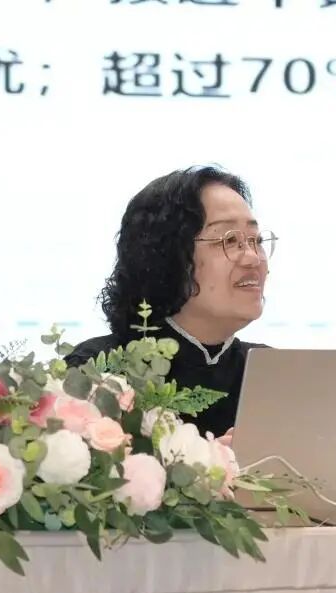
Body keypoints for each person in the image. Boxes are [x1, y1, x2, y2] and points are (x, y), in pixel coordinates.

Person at [65, 166, 276, 442]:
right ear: (168, 256)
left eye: (256, 240)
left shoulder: (271, 372)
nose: (253, 258)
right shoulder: (97, 370)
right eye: (230, 240)